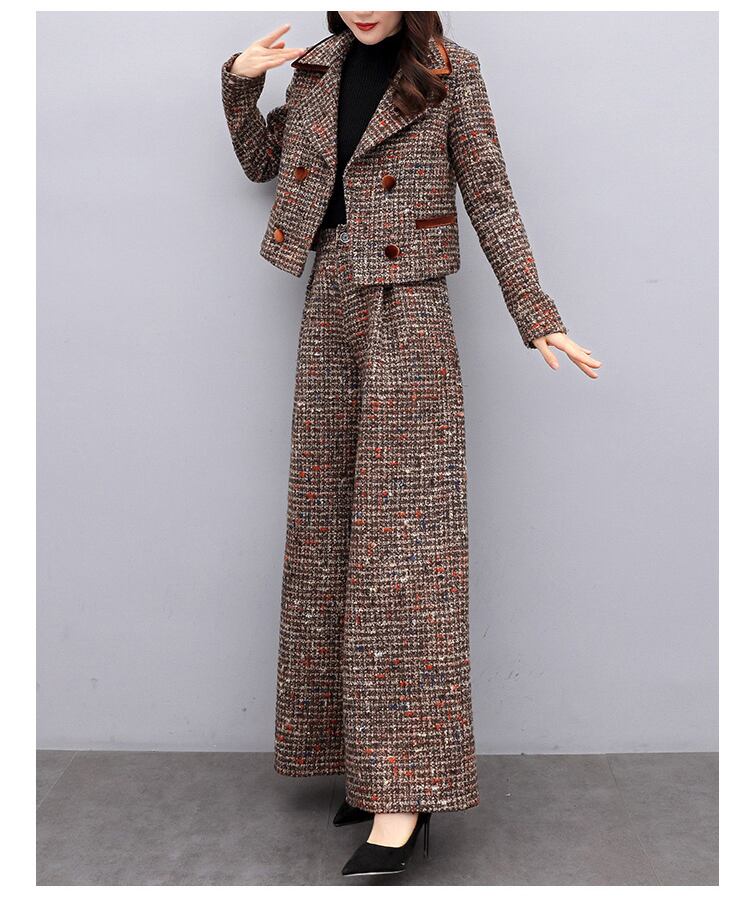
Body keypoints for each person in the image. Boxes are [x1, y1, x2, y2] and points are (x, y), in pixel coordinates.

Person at [221, 10, 601, 878]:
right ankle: (360, 765)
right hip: (328, 302)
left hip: (411, 307)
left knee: (404, 553)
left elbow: (490, 192)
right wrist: (239, 86)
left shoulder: (450, 68)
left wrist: (536, 313)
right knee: (326, 538)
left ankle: (404, 797)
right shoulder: (314, 68)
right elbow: (262, 164)